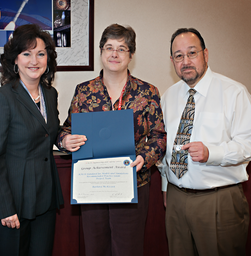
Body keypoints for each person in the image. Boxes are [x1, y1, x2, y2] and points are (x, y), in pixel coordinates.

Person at [57, 23, 166, 256]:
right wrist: (65, 141)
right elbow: (66, 129)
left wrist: (144, 158)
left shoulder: (147, 92)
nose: (114, 54)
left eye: (122, 48)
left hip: (133, 183)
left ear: (131, 55)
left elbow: (159, 138)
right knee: (96, 249)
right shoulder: (84, 91)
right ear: (101, 52)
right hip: (92, 185)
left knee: (128, 249)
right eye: (109, 47)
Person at [158, 28, 251, 256]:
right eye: (178, 56)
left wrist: (211, 153)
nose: (185, 61)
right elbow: (165, 146)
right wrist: (166, 187)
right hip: (175, 199)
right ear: (172, 61)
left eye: (192, 53)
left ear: (205, 54)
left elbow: (250, 145)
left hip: (218, 200)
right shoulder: (168, 97)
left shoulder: (234, 93)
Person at [0, 24, 64, 256]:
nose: (34, 60)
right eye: (26, 53)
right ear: (14, 60)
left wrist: (64, 140)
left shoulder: (50, 94)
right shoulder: (1, 98)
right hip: (13, 204)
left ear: (48, 58)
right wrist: (5, 208)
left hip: (45, 200)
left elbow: (49, 133)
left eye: (40, 53)